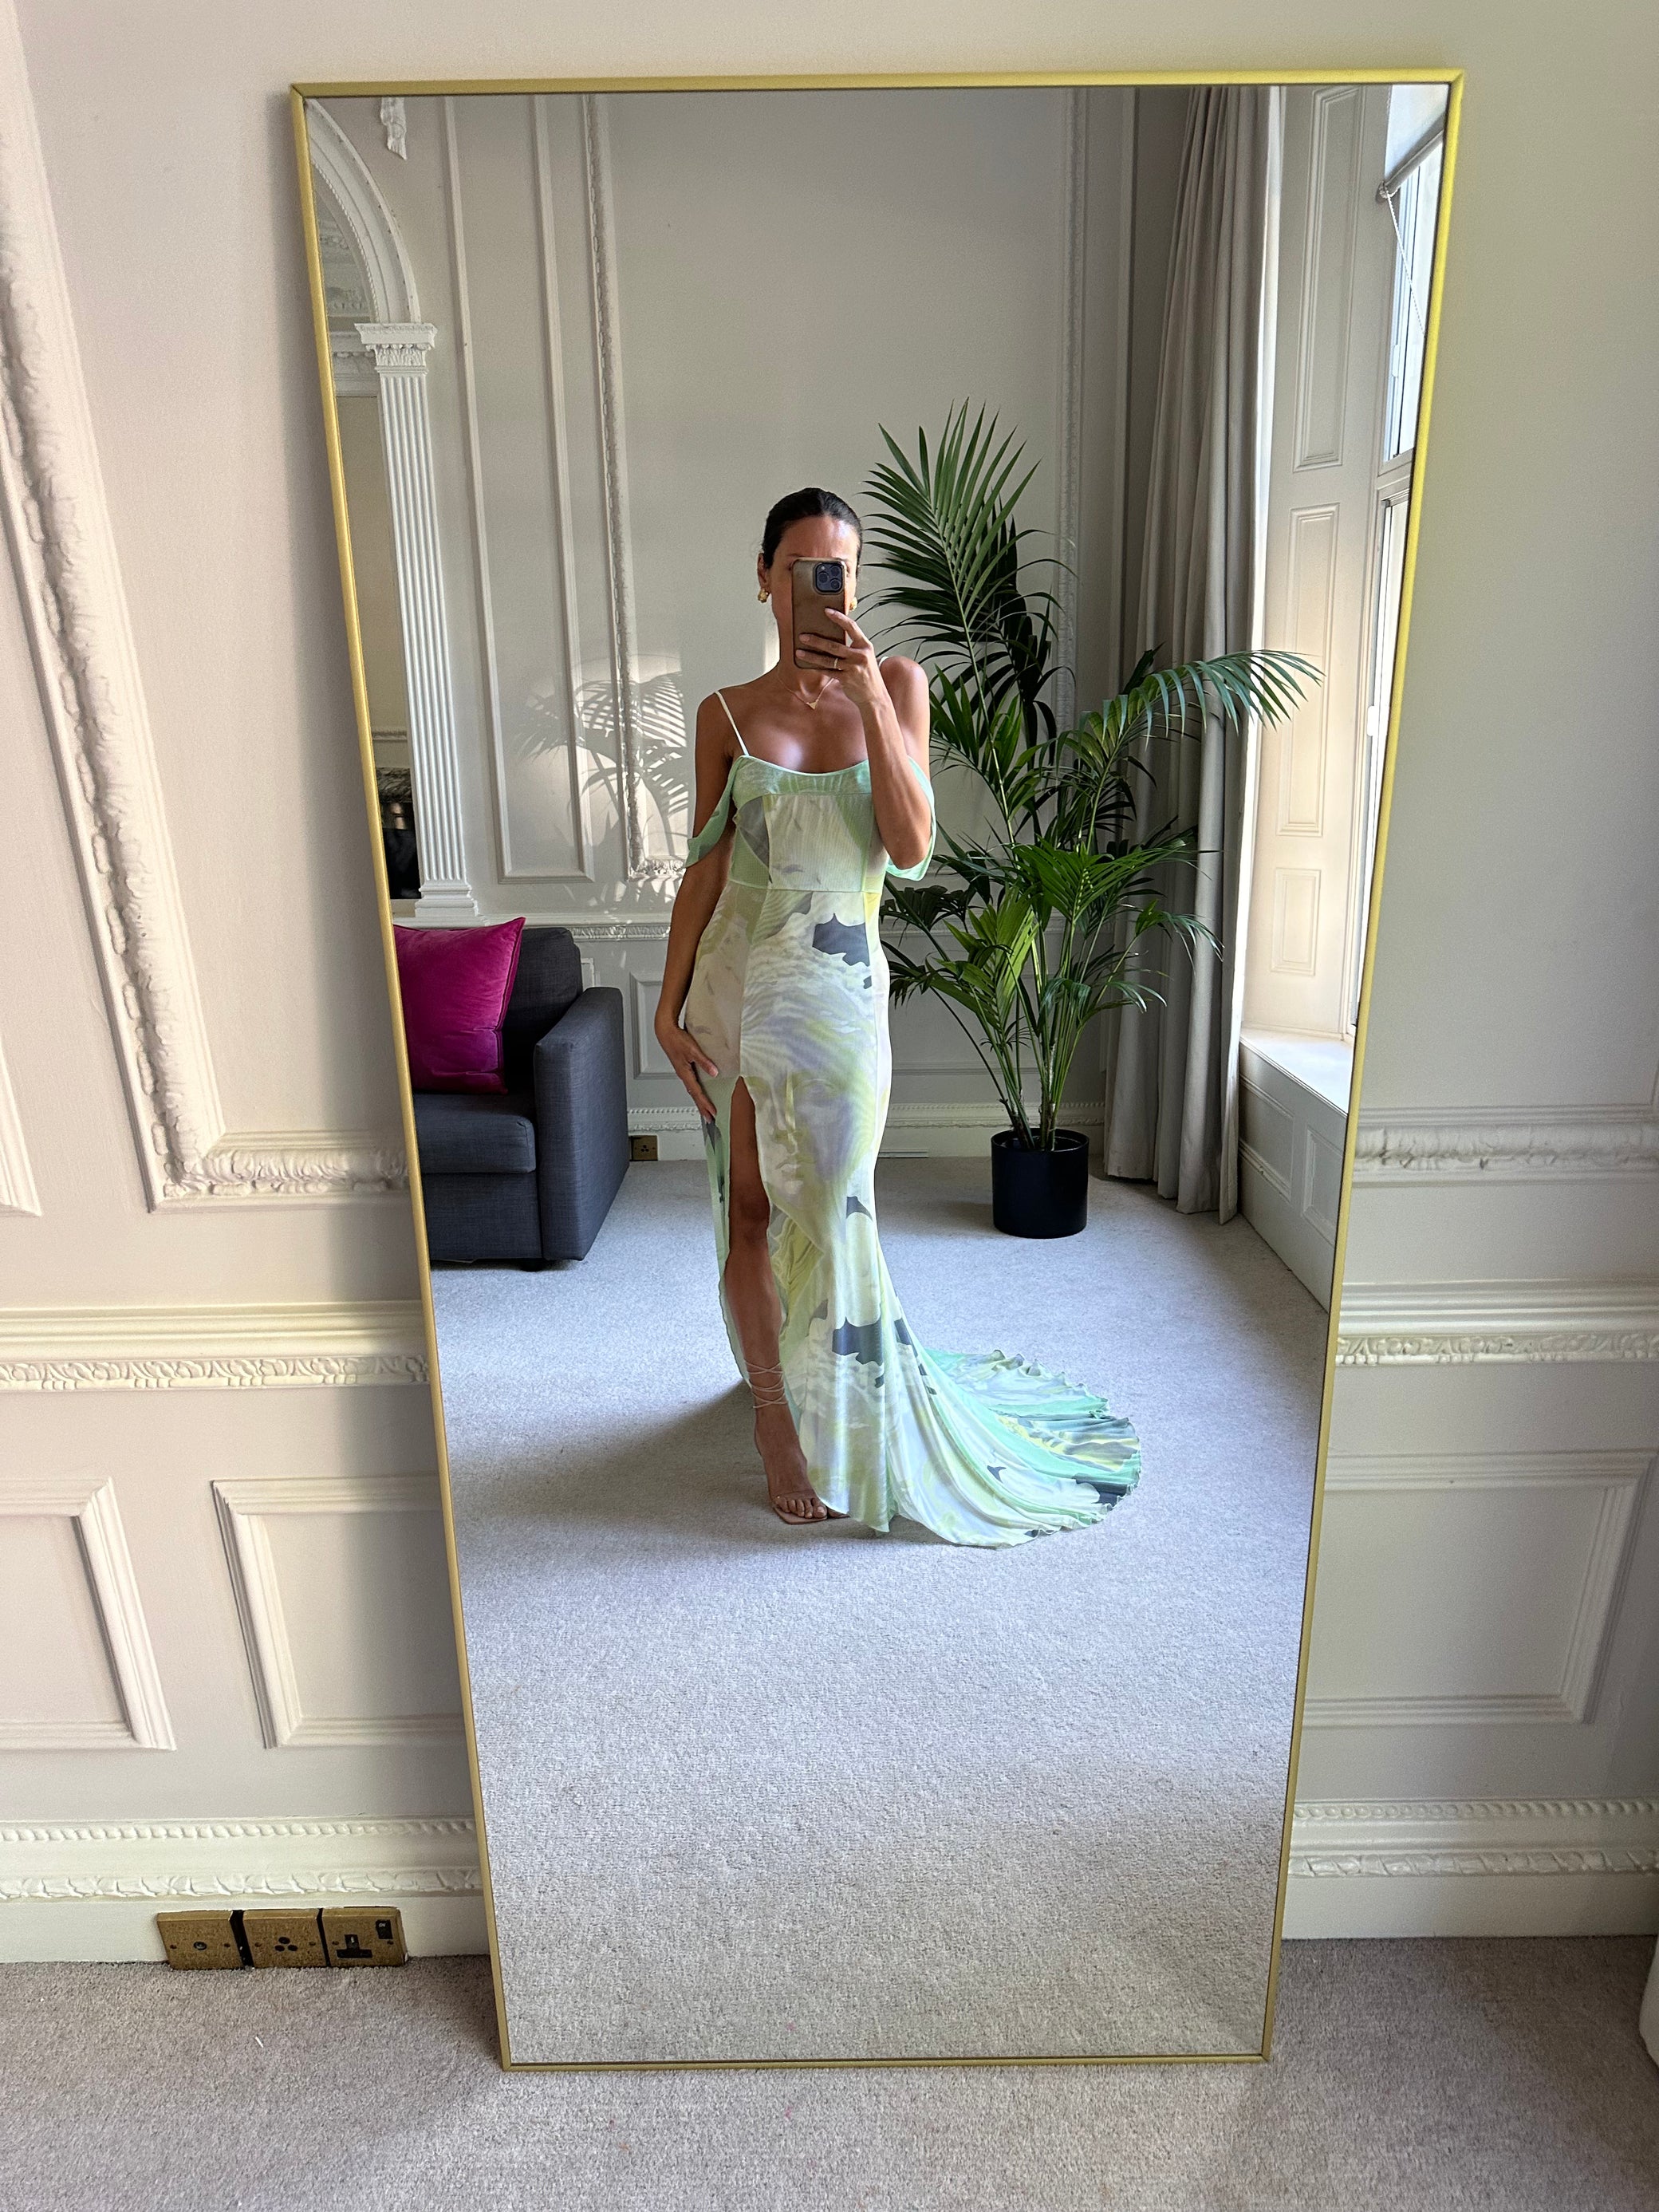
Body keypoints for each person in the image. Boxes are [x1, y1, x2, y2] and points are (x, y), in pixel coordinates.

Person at [653, 487, 1140, 1542]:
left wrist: (871, 693)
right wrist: (665, 999)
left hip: (836, 995)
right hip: (736, 988)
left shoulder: (902, 683)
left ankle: (845, 1386)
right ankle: (775, 1420)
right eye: (803, 568)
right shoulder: (726, 714)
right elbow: (707, 867)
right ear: (766, 578)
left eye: (841, 569)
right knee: (746, 1211)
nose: (824, 587)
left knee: (838, 1209)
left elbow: (912, 847)